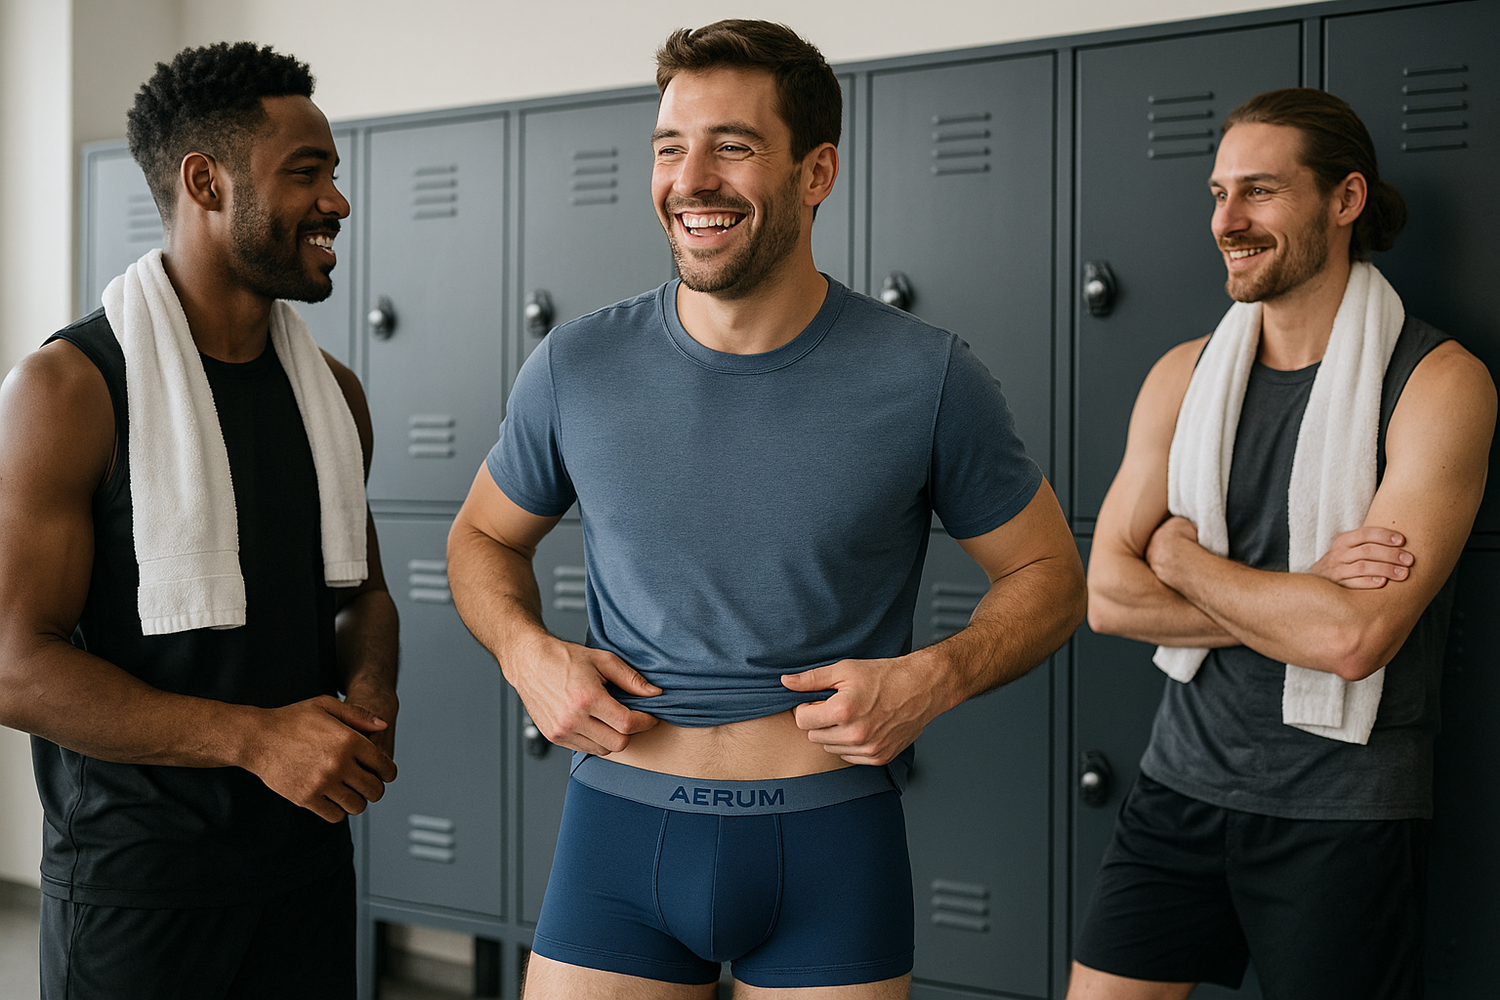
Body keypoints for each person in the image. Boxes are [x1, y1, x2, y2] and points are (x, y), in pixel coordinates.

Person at [447, 18, 1085, 1000]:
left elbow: (1049, 576)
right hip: (618, 835)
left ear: (816, 171)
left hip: (829, 839)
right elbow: (482, 535)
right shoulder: (577, 365)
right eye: (670, 147)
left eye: (732, 146)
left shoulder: (929, 377)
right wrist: (526, 652)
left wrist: (936, 676)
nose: (691, 178)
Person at [1071, 88, 1495, 1000]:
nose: (1229, 220)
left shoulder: (1438, 384)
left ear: (1345, 200)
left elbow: (1352, 640)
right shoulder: (1183, 375)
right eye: (1219, 194)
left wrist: (1180, 561)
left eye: (1259, 192)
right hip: (1177, 784)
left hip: (1342, 812)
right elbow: (1106, 597)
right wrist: (1300, 592)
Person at [0, 43, 399, 999]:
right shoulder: (69, 390)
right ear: (204, 181)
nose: (337, 202)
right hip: (138, 892)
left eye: (333, 173)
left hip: (305, 869)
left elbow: (365, 595)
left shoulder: (333, 395)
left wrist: (367, 697)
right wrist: (258, 739)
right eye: (306, 173)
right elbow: (13, 663)